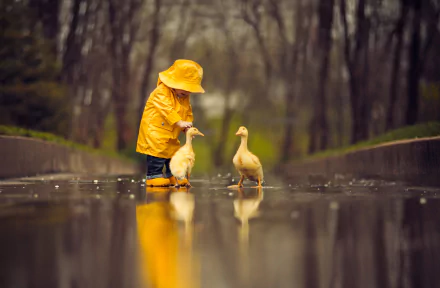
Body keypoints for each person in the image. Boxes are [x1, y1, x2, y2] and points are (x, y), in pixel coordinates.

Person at [136, 59, 205, 187]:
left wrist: (187, 126)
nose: (187, 93)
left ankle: (173, 174)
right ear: (174, 82)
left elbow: (187, 111)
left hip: (171, 132)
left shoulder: (183, 96)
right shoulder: (161, 92)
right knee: (157, 153)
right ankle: (153, 176)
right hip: (155, 131)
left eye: (190, 90)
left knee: (173, 154)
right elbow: (165, 108)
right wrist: (178, 121)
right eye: (185, 88)